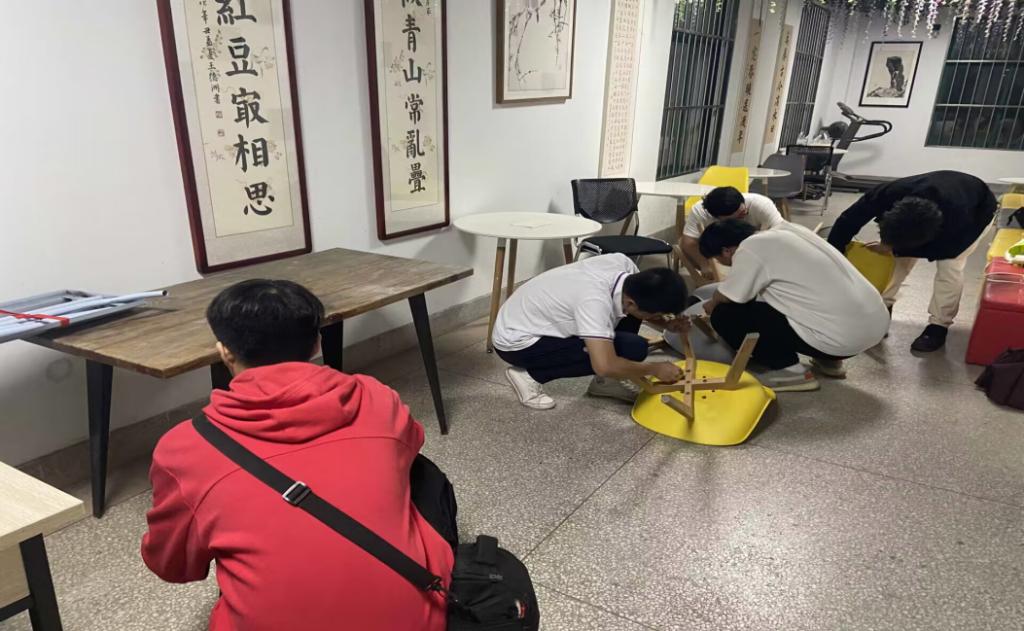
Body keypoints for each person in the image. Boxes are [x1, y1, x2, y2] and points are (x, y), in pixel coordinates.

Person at [141, 280, 452, 631]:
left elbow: (173, 566)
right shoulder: (376, 398)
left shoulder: (184, 448)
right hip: (420, 619)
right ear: (317, 342)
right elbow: (413, 443)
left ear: (224, 351)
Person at [699, 220, 890, 392]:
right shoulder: (789, 229)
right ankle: (830, 361)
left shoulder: (749, 248)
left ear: (726, 251)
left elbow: (730, 296)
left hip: (843, 339)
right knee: (782, 298)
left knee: (725, 314)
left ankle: (790, 372)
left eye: (718, 259)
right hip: (874, 326)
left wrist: (712, 302)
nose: (723, 264)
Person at [492, 253, 689, 409]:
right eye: (657, 314)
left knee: (626, 322)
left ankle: (606, 384)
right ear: (631, 303)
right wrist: (654, 369)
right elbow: (604, 365)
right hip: (517, 342)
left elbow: (635, 307)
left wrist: (667, 323)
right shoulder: (594, 302)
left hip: (531, 316)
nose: (659, 318)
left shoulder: (624, 265)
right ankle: (530, 375)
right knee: (631, 348)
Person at [827, 171, 996, 352]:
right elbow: (846, 222)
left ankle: (939, 326)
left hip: (978, 209)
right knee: (895, 261)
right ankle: (883, 308)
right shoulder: (885, 195)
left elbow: (948, 250)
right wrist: (832, 256)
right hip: (942, 193)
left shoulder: (957, 220)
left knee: (950, 267)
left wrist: (894, 249)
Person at [679, 186, 785, 283]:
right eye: (739, 216)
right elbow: (688, 242)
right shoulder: (700, 211)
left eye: (744, 211)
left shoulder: (761, 205)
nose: (744, 213)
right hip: (724, 256)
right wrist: (704, 264)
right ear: (718, 217)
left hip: (757, 251)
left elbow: (780, 235)